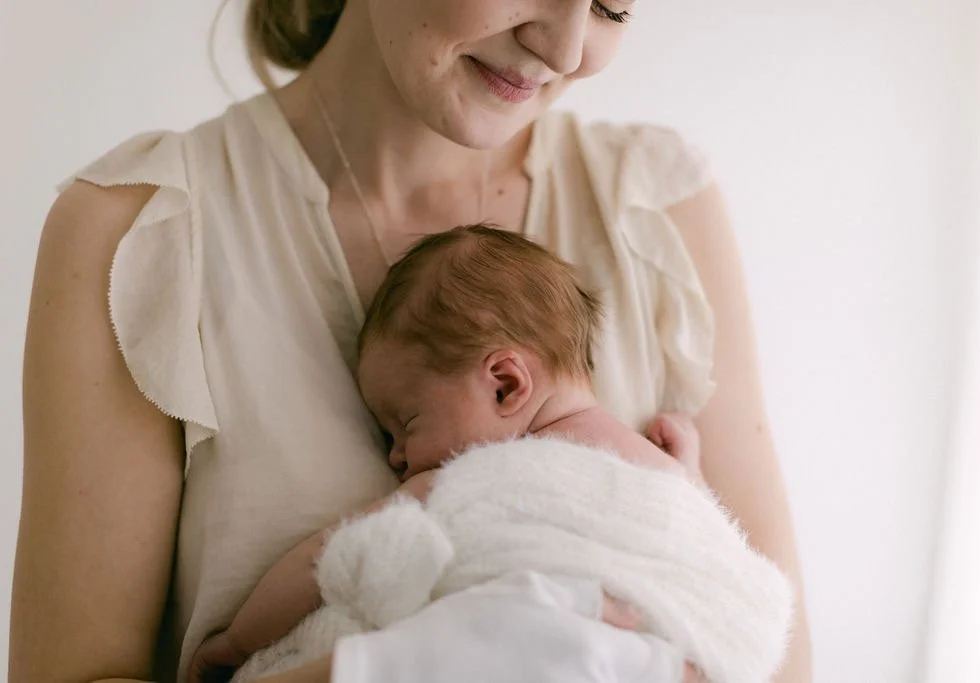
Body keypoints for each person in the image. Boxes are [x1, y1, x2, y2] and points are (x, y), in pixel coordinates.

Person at [11, 1, 812, 682]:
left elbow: (768, 645)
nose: (564, 49)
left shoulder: (659, 210)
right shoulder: (141, 233)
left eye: (612, 5)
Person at [189, 225, 794, 683]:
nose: (398, 456)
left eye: (406, 423)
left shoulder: (470, 481)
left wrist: (239, 644)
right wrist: (689, 464)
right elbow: (705, 543)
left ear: (506, 384)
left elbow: (327, 562)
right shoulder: (666, 477)